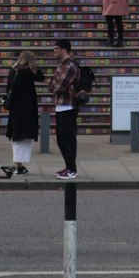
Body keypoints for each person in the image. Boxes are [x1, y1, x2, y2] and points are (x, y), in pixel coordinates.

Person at [4, 49, 45, 174]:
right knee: (24, 137)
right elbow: (41, 77)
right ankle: (18, 165)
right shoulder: (27, 72)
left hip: (15, 109)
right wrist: (34, 66)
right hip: (26, 109)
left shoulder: (13, 70)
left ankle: (18, 164)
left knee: (17, 136)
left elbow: (8, 89)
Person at [49, 37, 80, 181]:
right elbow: (52, 85)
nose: (53, 51)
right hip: (61, 106)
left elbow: (58, 87)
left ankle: (72, 170)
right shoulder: (61, 65)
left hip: (68, 107)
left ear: (63, 50)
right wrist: (54, 83)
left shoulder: (69, 67)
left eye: (56, 48)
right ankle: (68, 167)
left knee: (67, 139)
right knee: (61, 139)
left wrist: (55, 83)